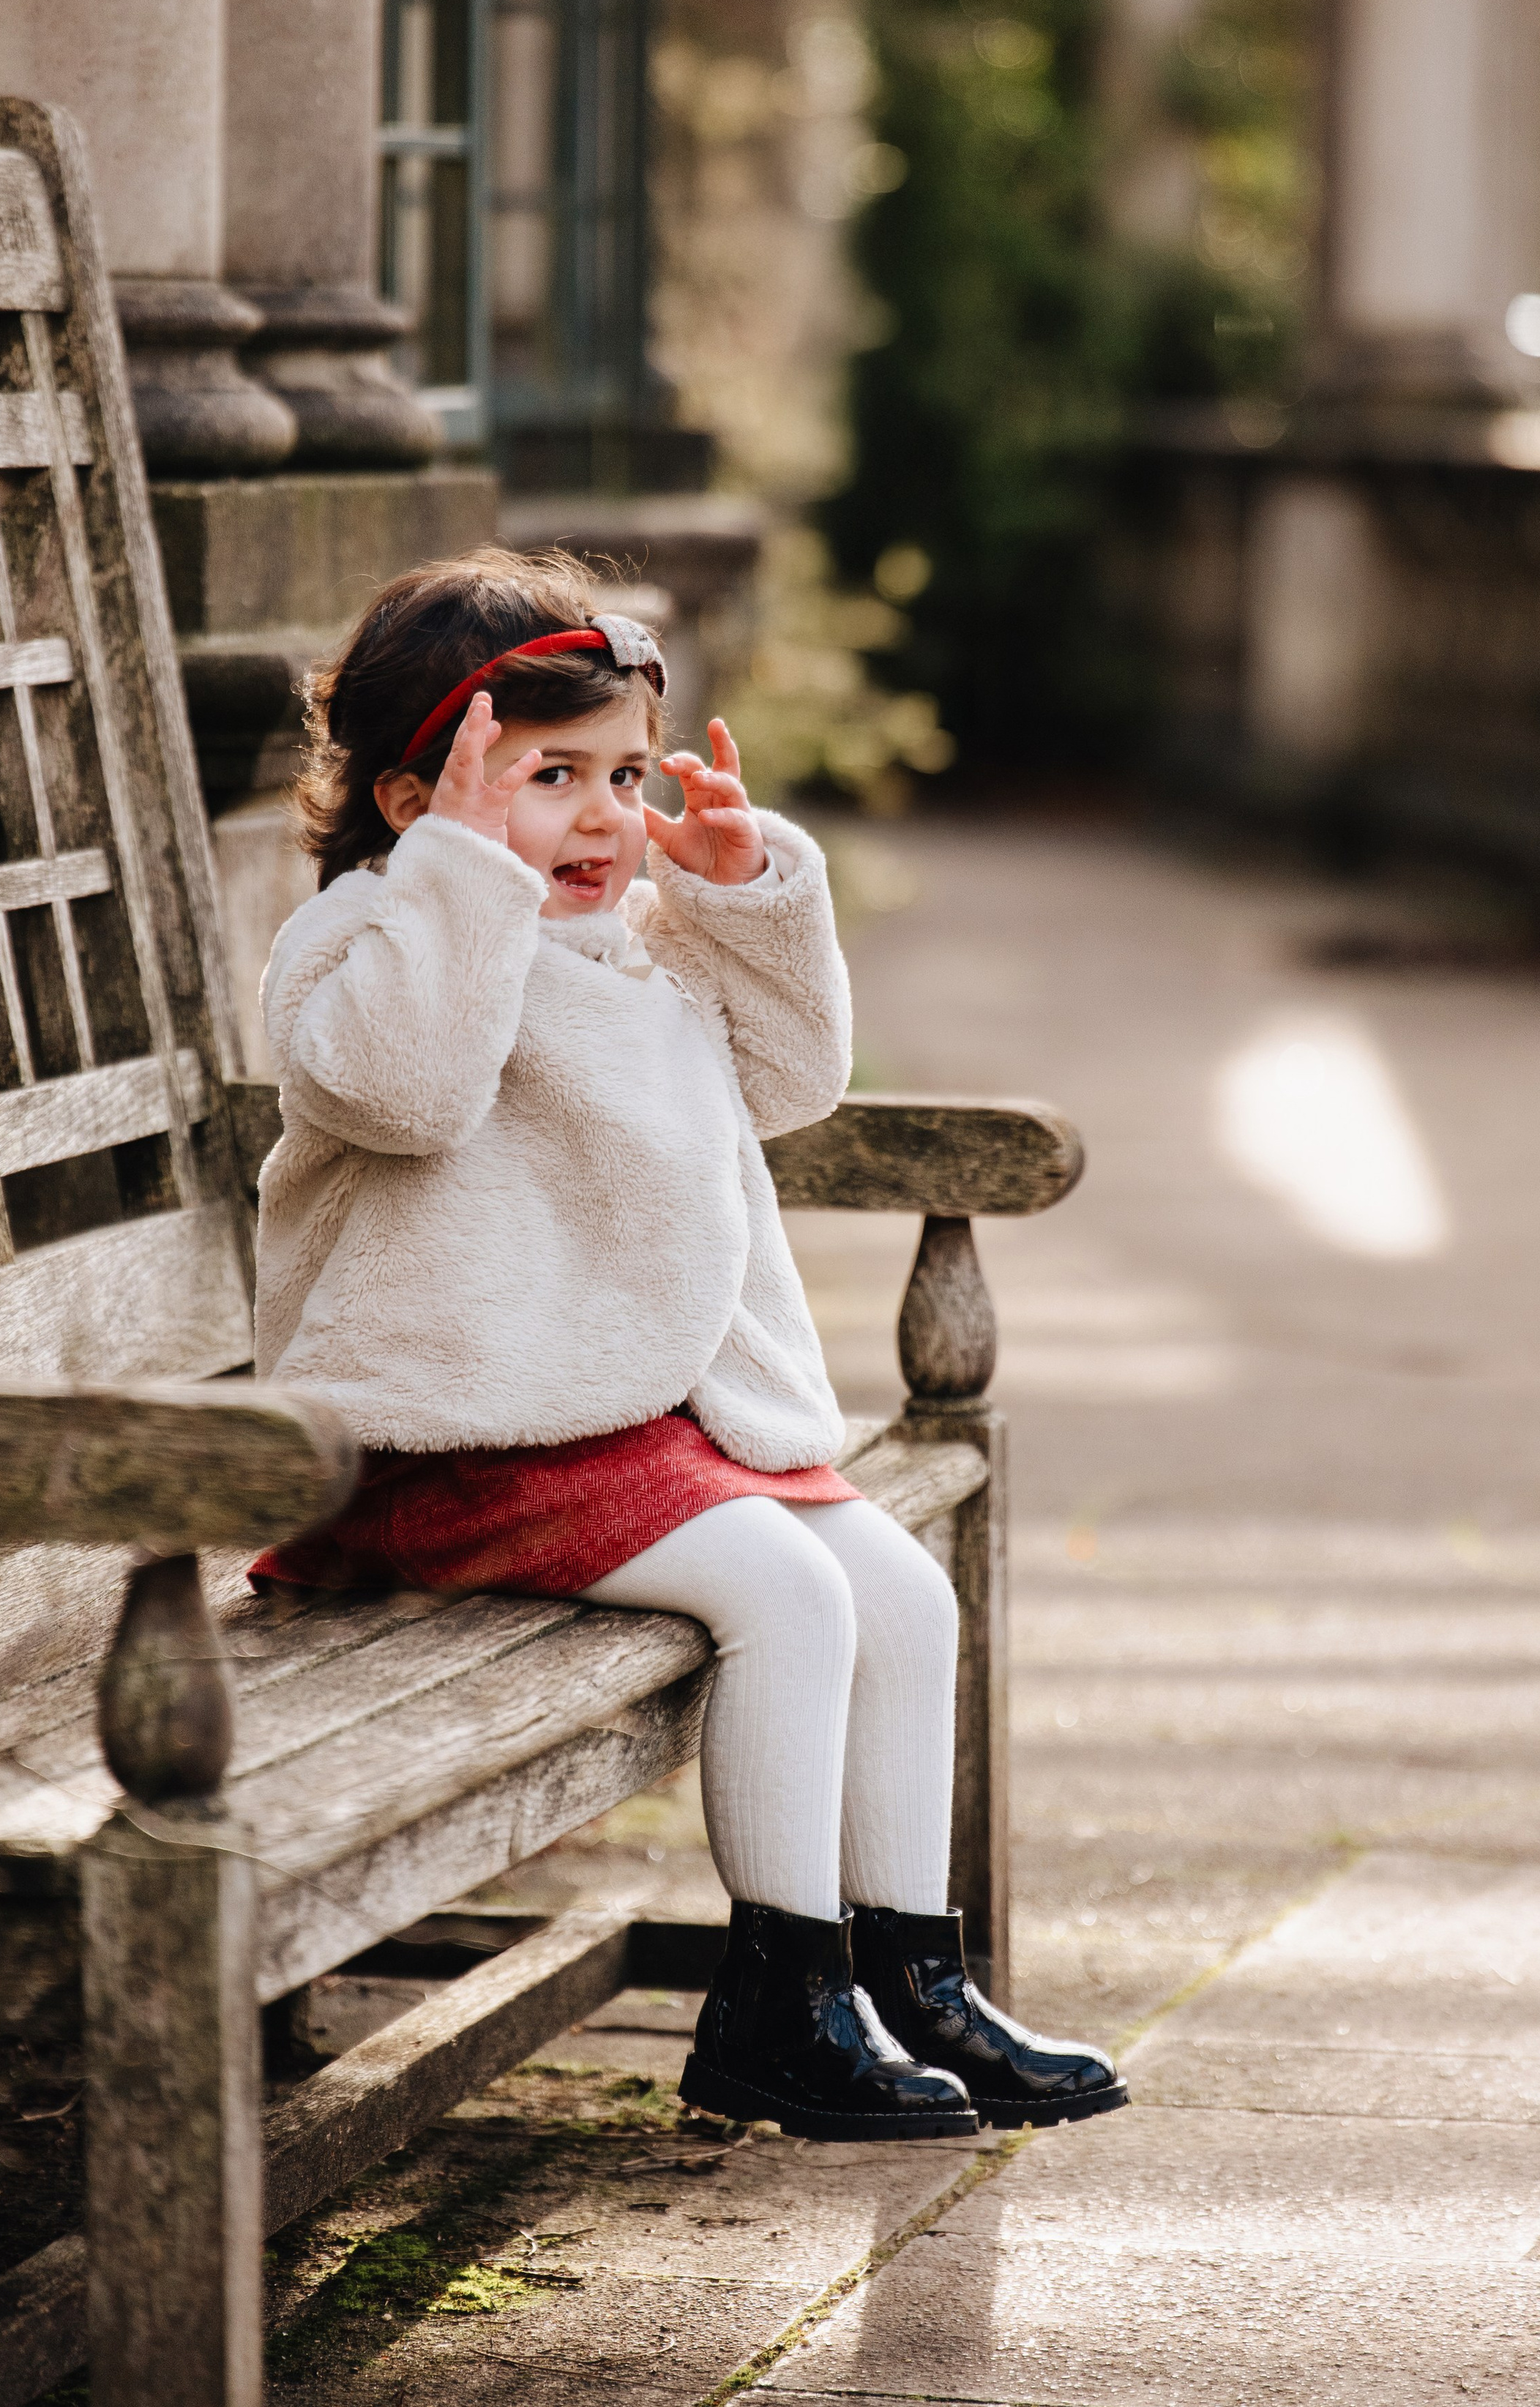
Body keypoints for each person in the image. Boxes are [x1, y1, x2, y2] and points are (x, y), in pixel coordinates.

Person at [250, 545, 1125, 2144]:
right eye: (548, 776)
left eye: (625, 774)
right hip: (438, 1443)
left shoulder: (636, 944)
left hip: (625, 1428)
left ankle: (901, 1971)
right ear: (408, 801)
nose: (601, 817)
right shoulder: (369, 952)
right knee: (787, 1594)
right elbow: (406, 1092)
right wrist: (462, 876)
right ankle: (774, 2007)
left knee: (901, 1596)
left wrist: (739, 900)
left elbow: (786, 1087)